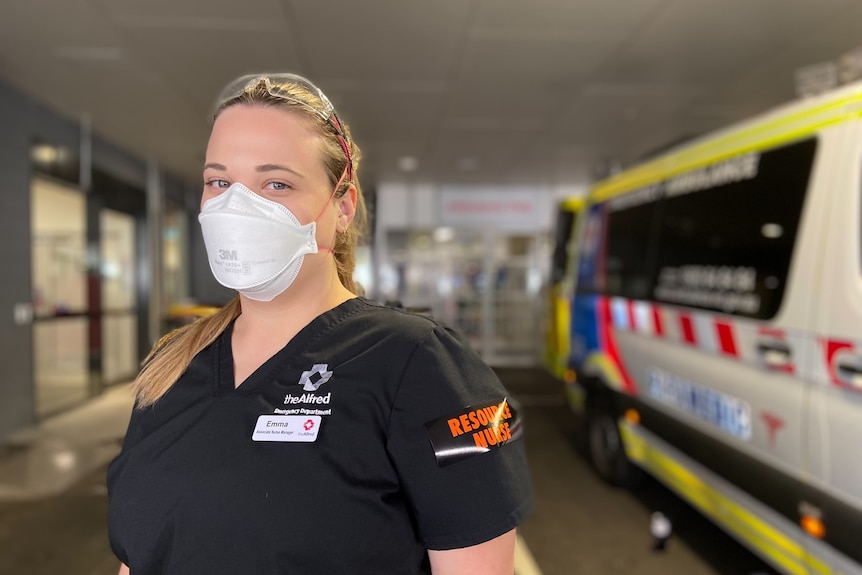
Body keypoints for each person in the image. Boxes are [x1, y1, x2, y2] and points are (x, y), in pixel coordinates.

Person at [107, 72, 533, 575]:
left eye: (276, 183)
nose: (236, 206)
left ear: (343, 206)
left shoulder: (427, 365)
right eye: (219, 181)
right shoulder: (170, 366)